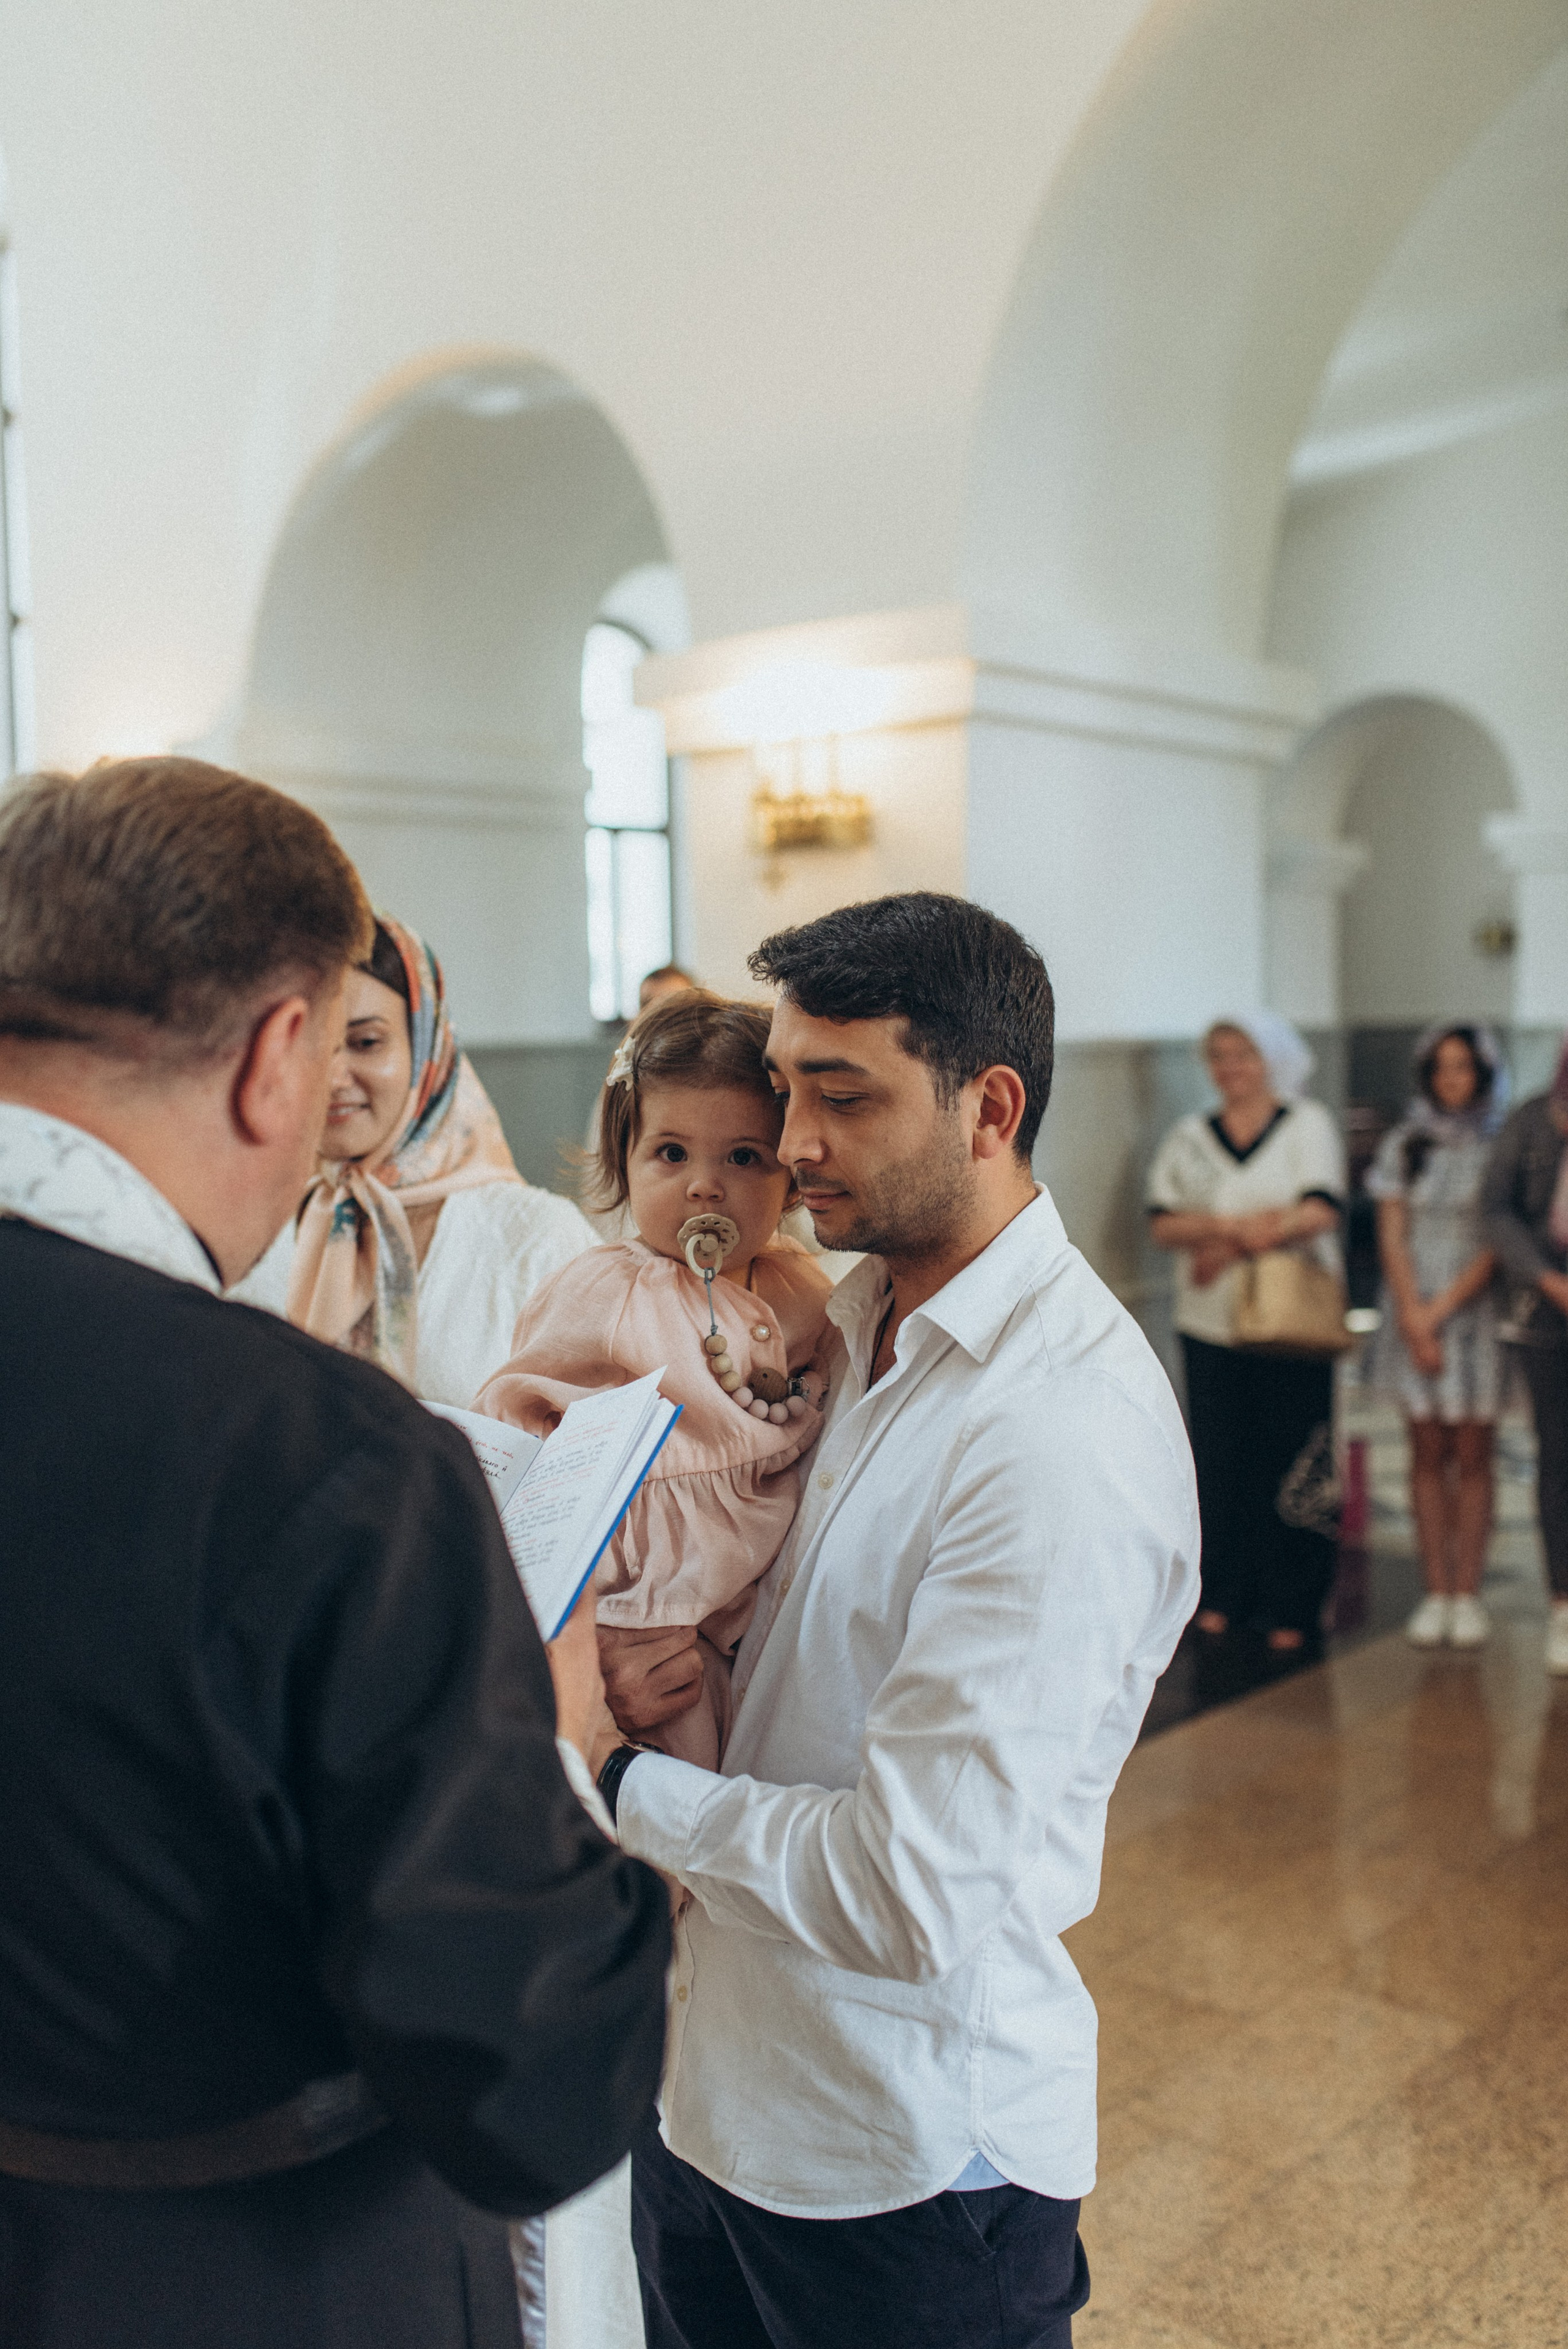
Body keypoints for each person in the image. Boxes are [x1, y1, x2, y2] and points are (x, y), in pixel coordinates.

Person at [0, 758, 669, 2349]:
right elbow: (531, 2091)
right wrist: (554, 1738)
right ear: (276, 1056)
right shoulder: (324, 1458)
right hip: (237, 2275)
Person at [582, 891, 1199, 2349]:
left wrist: (612, 1774)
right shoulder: (838, 1325)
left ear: (989, 1108)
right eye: (783, 1089)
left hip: (900, 2160)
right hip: (709, 2090)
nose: (791, 1140)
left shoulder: (1057, 1429)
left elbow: (906, 1891)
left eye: (841, 1096)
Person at [480, 992, 833, 1770]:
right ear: (624, 1163)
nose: (704, 1185)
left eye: (744, 1157)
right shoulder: (607, 1293)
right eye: (671, 1154)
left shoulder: (808, 1292)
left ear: (791, 1178)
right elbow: (517, 1428)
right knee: (657, 1788)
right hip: (638, 1614)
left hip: (752, 1620)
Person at [236, 913, 594, 1401]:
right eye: (312, 1044)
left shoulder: (534, 1240)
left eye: (366, 1042)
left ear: (428, 1047)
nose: (334, 1076)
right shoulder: (254, 1230)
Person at [1147, 1014, 1346, 1653]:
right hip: (1209, 1321)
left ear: (1271, 1059)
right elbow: (1163, 1221)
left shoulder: (1306, 1124)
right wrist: (1233, 1230)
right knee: (1220, 1456)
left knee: (1291, 1455)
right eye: (1219, 1055)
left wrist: (1228, 1243)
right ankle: (1223, 1591)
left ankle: (1293, 1599)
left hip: (1291, 1321)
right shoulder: (1190, 1136)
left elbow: (1319, 1208)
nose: (1230, 1067)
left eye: (1244, 1054)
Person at [1366, 1026, 1506, 1649]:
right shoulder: (1405, 1142)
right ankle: (1435, 1590)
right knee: (1425, 1451)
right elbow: (1391, 1232)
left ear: (1482, 1073)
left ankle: (1467, 1591)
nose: (1452, 1079)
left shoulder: (1499, 1144)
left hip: (1474, 1310)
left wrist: (1442, 1310)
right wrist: (1414, 1313)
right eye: (1441, 1067)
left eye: (1464, 1066)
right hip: (1411, 1307)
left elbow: (1498, 1237)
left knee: (1473, 1454)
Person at [1482, 1040, 1568, 1677]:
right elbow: (1497, 1208)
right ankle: (1563, 1602)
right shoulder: (1535, 1118)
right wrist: (1546, 1278)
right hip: (1546, 1310)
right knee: (1558, 1456)